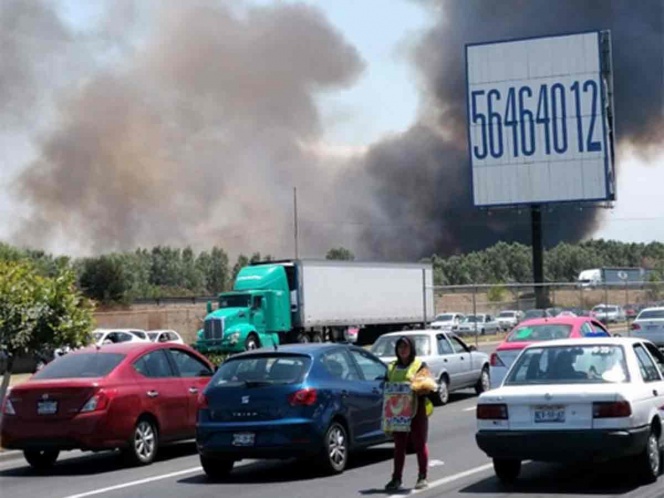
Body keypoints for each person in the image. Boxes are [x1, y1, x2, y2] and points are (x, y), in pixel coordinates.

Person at [384, 336, 434, 491]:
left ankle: (422, 476)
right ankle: (396, 478)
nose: (402, 350)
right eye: (400, 347)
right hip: (397, 411)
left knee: (419, 443)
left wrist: (418, 388)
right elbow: (385, 384)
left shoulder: (419, 365)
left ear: (411, 348)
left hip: (416, 410)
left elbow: (427, 385)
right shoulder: (391, 367)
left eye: (405, 347)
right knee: (399, 445)